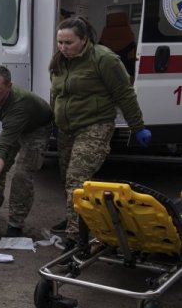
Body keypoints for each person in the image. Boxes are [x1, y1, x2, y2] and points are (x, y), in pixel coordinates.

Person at [49, 16, 151, 249]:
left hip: (94, 126)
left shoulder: (104, 59)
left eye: (69, 43)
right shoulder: (59, 61)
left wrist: (138, 127)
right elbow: (56, 93)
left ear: (84, 40)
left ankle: (76, 240)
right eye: (60, 42)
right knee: (67, 180)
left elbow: (124, 94)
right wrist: (51, 120)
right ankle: (77, 216)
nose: (63, 48)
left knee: (77, 180)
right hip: (67, 129)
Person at [0, 65, 52, 238]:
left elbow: (4, 147)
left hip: (35, 129)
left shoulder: (19, 104)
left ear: (9, 86)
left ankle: (16, 223)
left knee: (22, 174)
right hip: (14, 126)